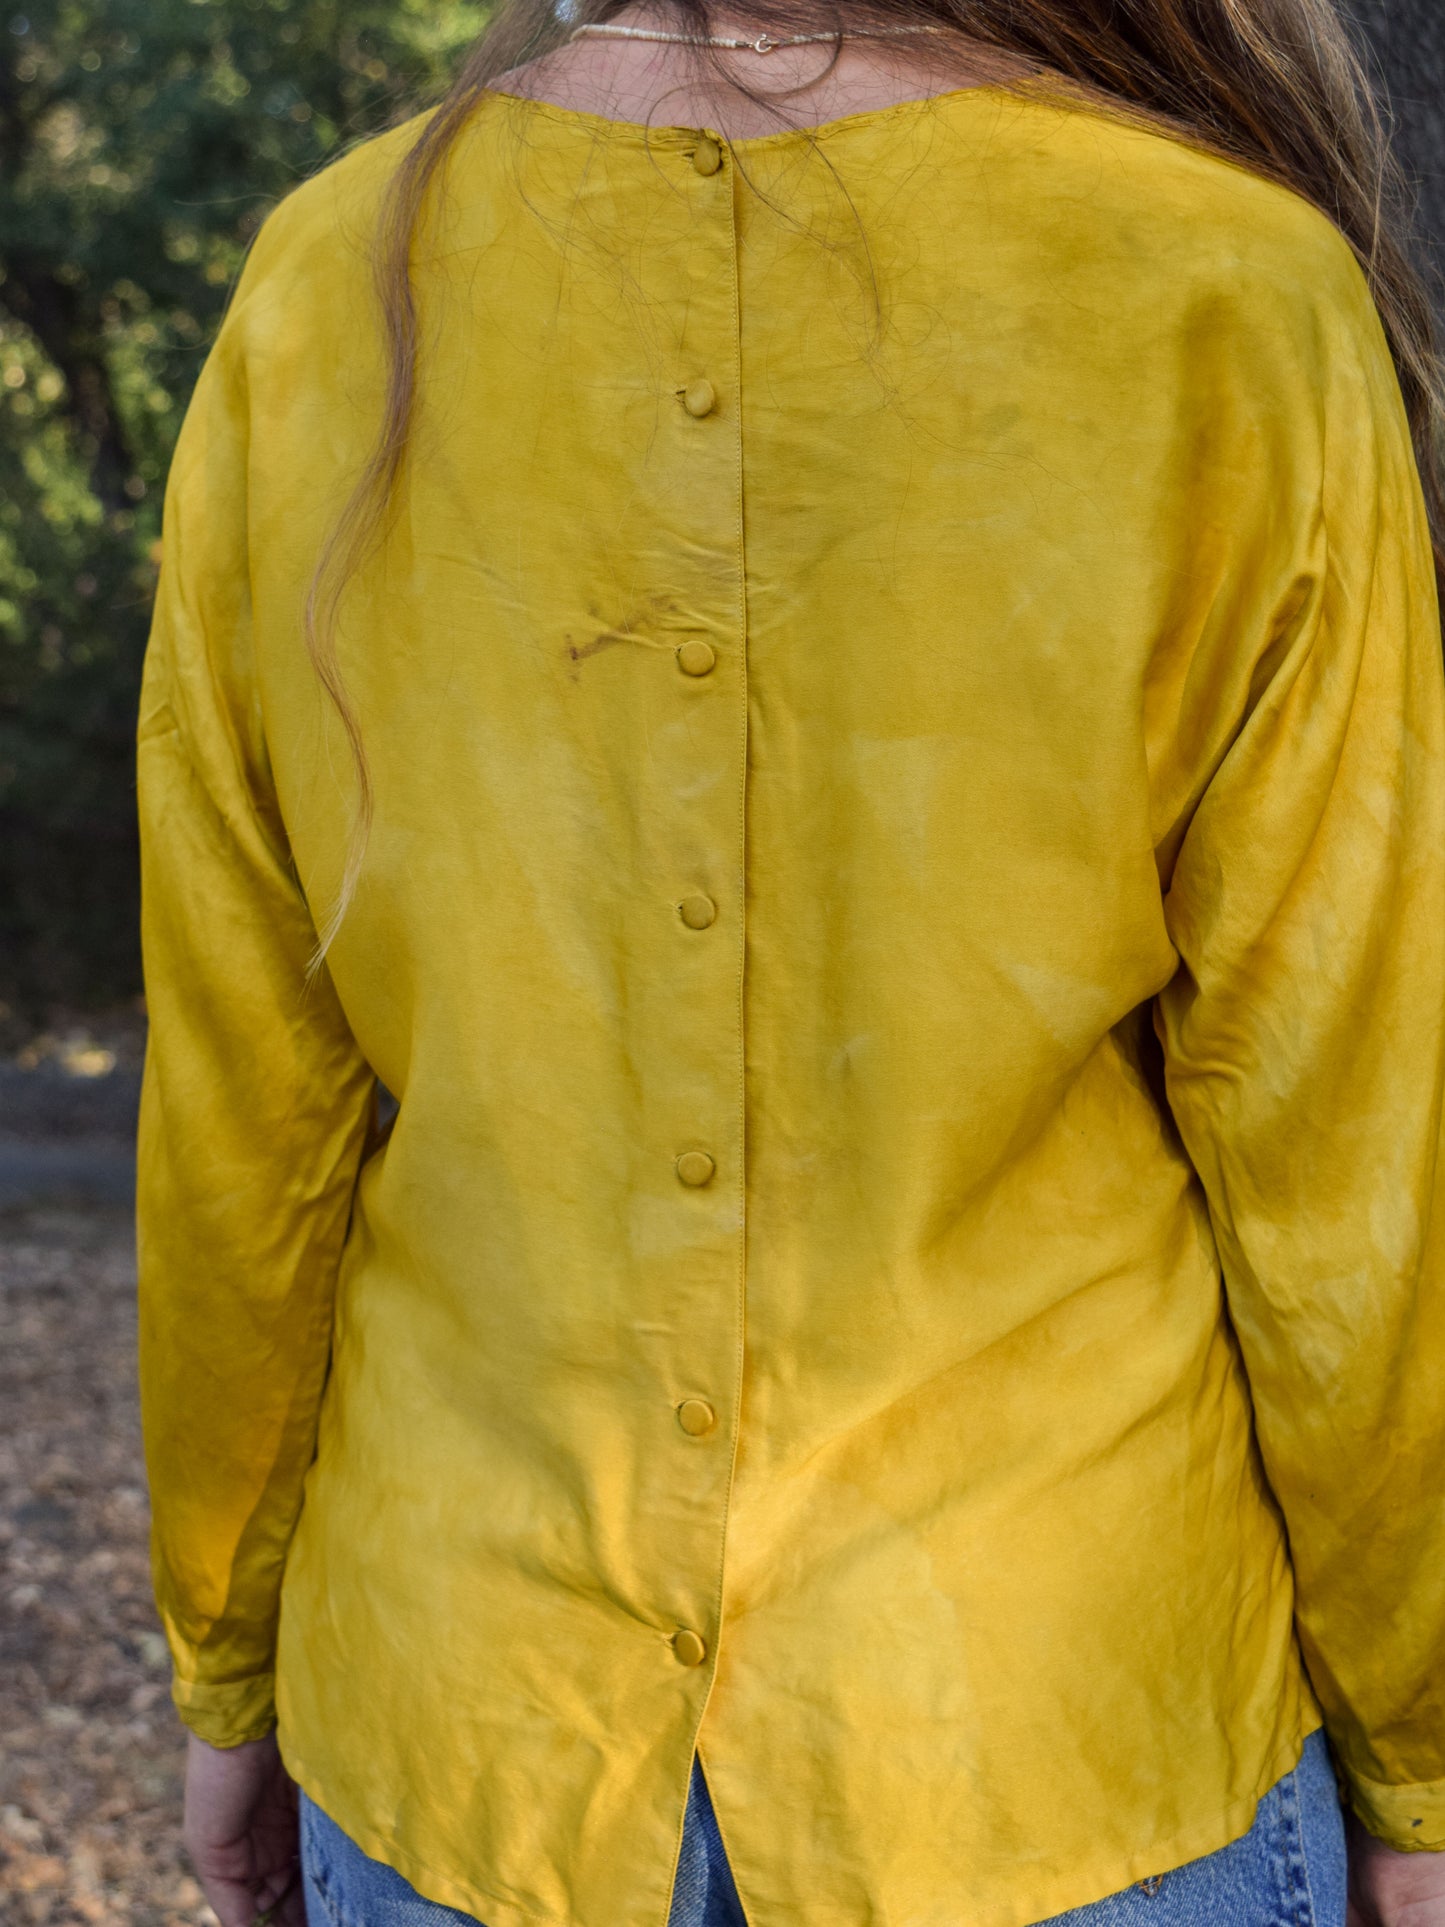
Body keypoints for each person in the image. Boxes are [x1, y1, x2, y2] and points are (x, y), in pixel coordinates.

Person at [134, 1, 1445, 1923]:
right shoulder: (1225, 289)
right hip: (1056, 1731)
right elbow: (1352, 1148)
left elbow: (248, 1109)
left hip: (467, 1719)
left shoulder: (330, 276)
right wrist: (1415, 1761)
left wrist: (224, 1671)